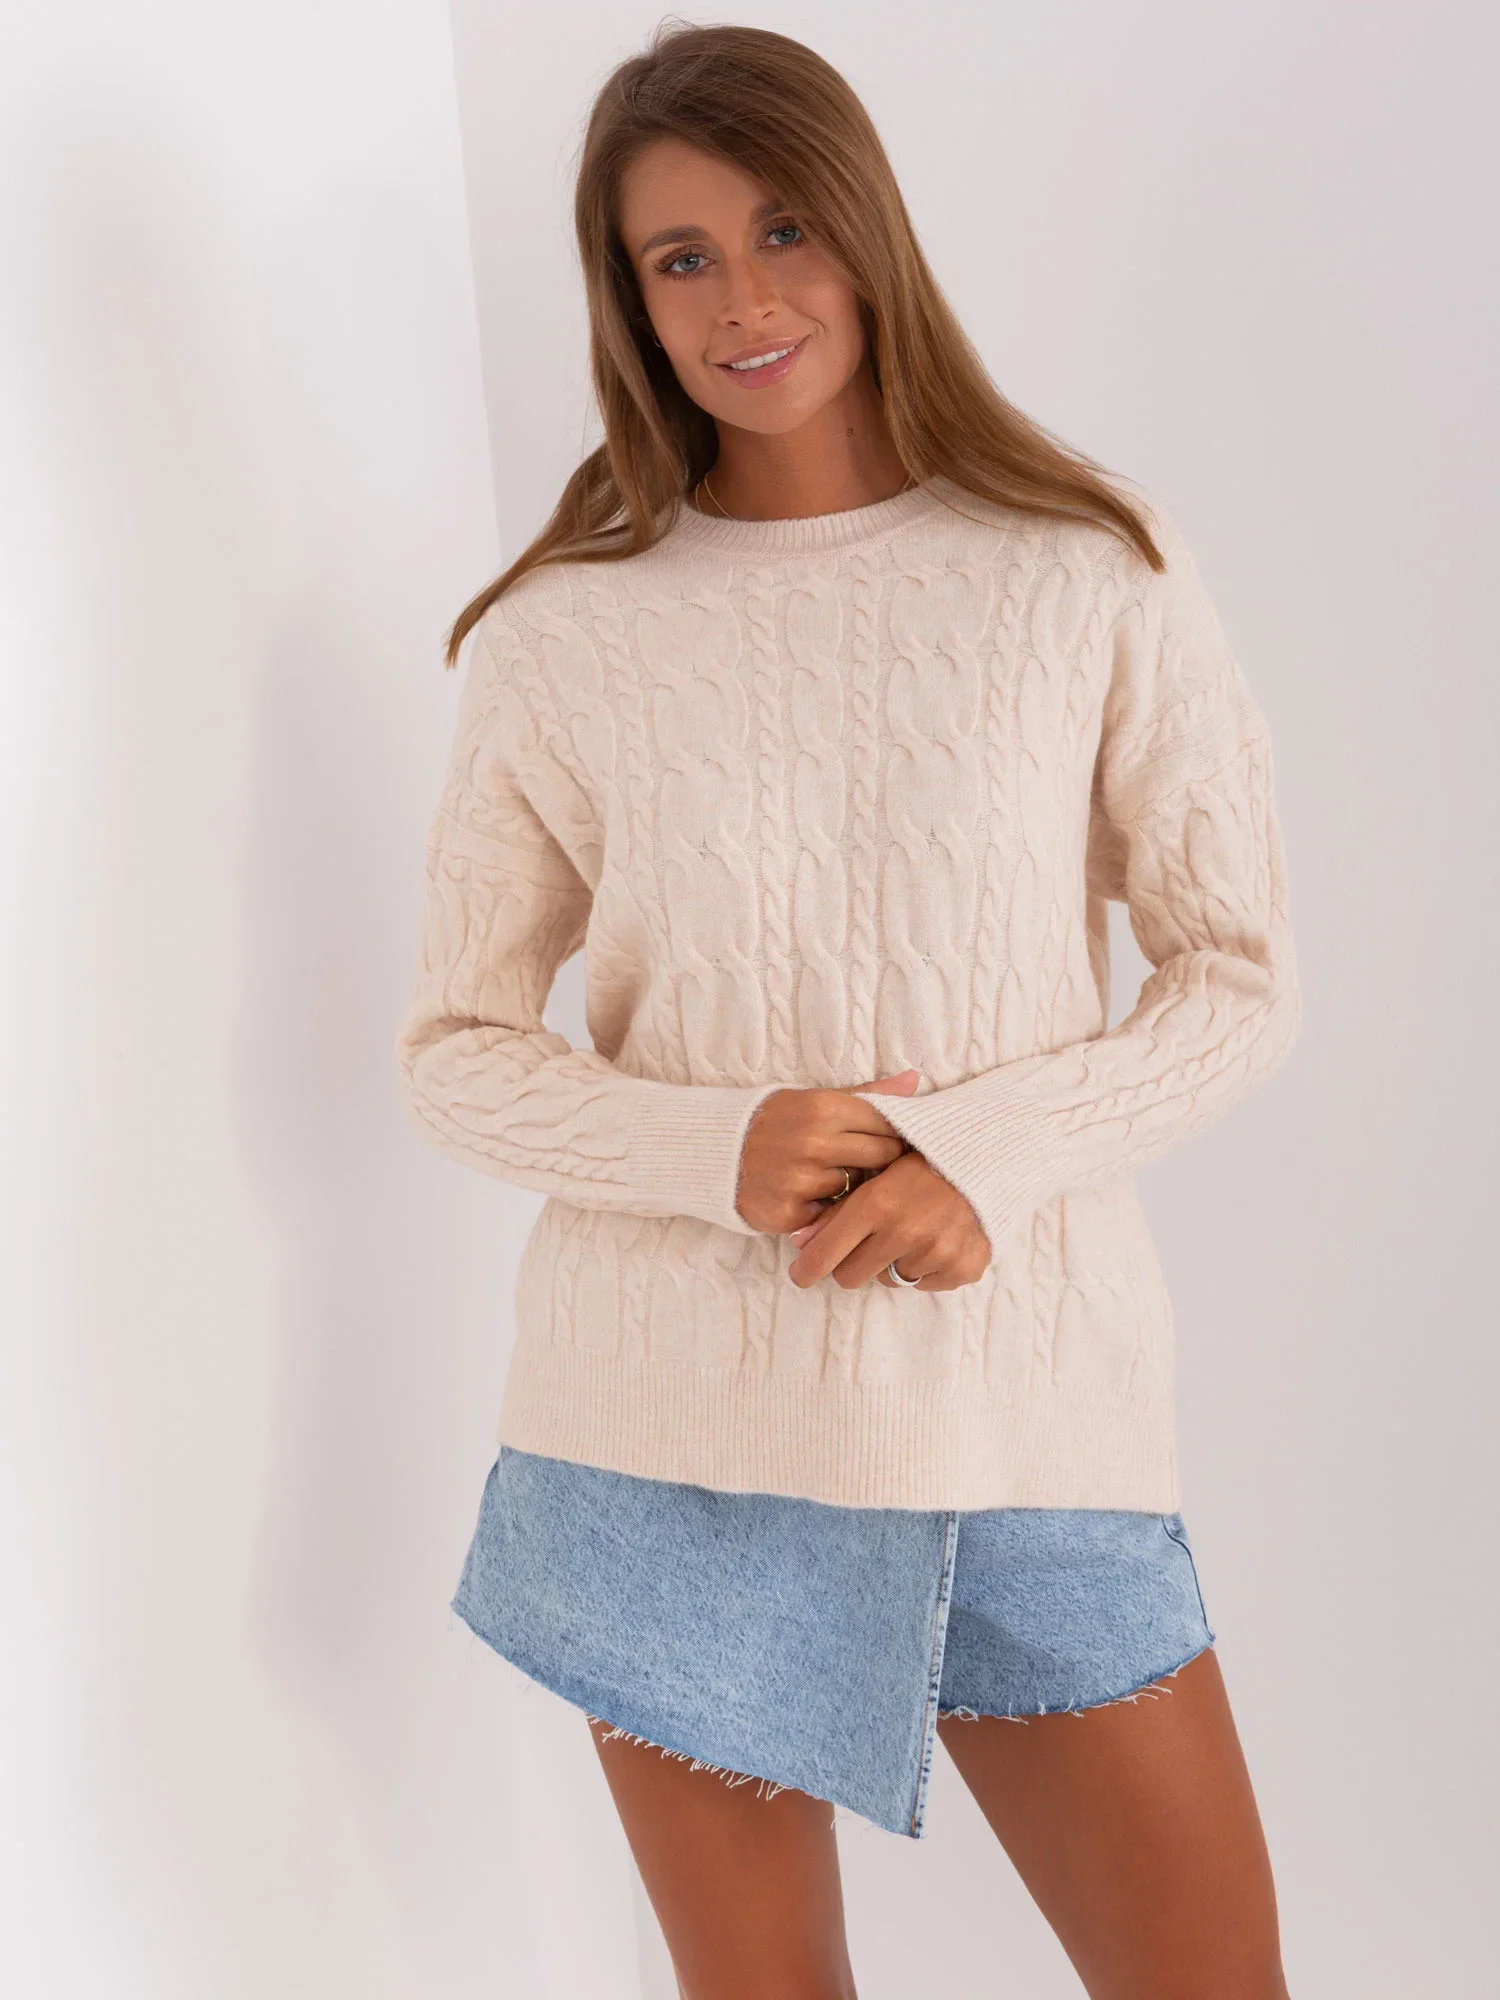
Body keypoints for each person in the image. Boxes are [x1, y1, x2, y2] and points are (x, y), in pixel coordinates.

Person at [395, 21, 1302, 1999]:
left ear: (870, 227)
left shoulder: (1089, 568)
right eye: (681, 257)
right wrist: (708, 1147)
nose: (744, 297)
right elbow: (453, 1050)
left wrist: (989, 1153)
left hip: (1021, 1417)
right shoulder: (565, 632)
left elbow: (1238, 976)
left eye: (783, 228)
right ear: (629, 302)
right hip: (663, 1437)